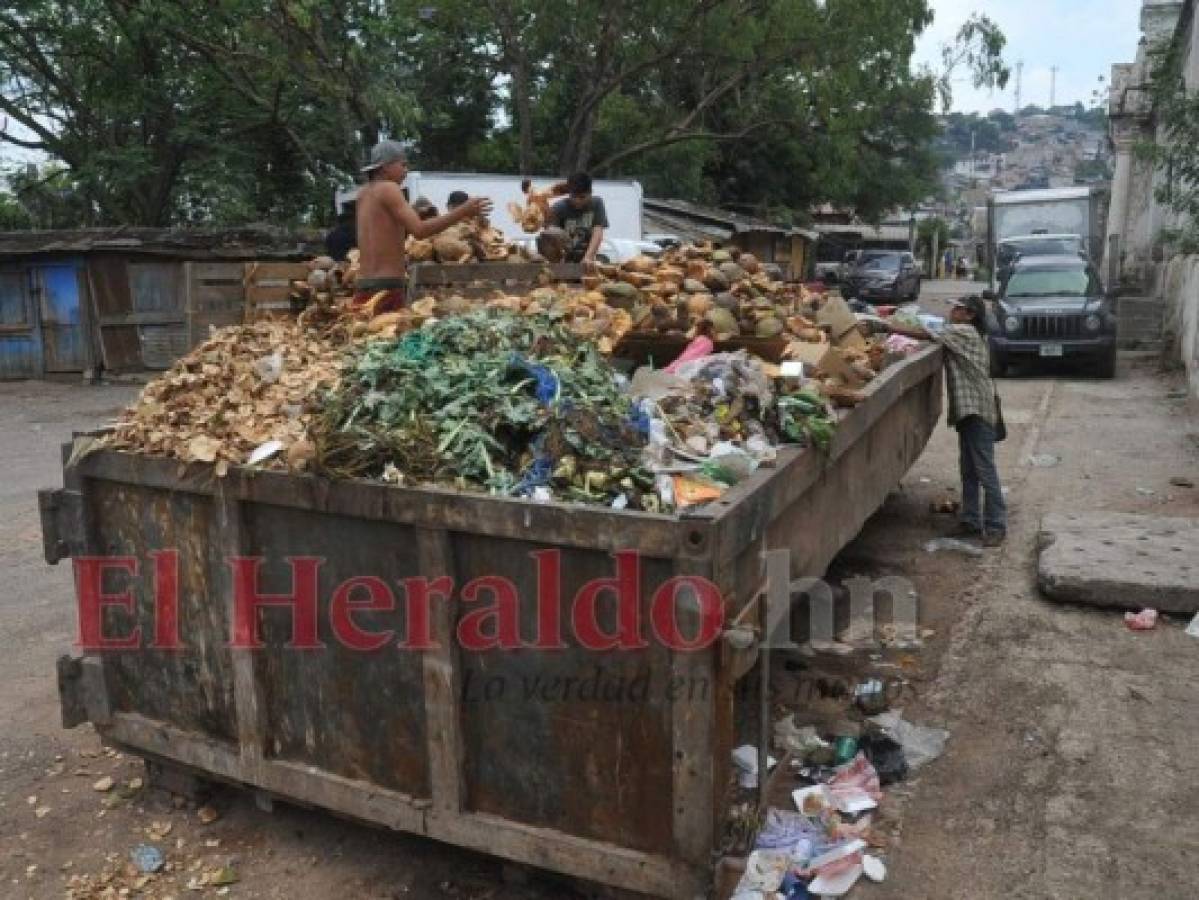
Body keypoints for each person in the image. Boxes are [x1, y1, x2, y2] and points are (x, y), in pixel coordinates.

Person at [883, 295, 1007, 545]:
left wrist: (887, 326)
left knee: (984, 470)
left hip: (977, 410)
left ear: (970, 315)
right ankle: (971, 521)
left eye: (958, 309)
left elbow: (926, 331)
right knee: (969, 470)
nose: (953, 312)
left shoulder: (964, 332)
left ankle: (996, 525)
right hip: (969, 410)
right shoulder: (967, 332)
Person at [353, 140, 492, 312]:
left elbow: (385, 233)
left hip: (364, 285)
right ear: (384, 168)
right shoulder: (389, 188)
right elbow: (419, 231)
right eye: (402, 165)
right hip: (386, 288)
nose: (406, 170)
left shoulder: (363, 193)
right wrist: (463, 211)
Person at [537, 172, 608, 265]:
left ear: (590, 192)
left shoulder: (597, 203)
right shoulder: (558, 208)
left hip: (588, 257)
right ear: (569, 193)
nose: (577, 201)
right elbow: (550, 238)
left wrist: (588, 257)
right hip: (563, 260)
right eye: (574, 196)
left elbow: (598, 231)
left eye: (582, 197)